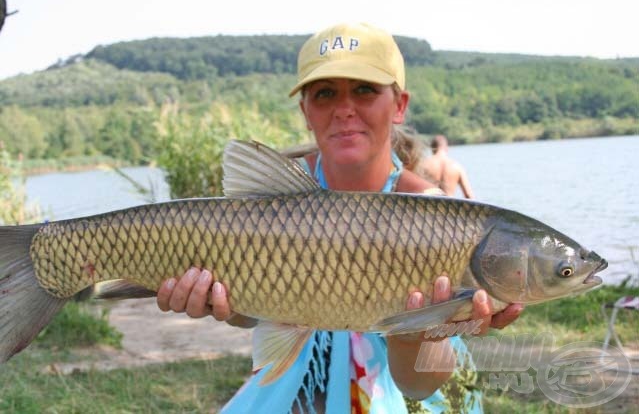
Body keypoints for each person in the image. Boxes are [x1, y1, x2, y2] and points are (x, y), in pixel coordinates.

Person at [156, 22, 522, 413]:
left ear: (399, 105)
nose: (345, 109)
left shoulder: (440, 217)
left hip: (392, 393)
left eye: (364, 90)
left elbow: (419, 384)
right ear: (305, 111)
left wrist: (417, 334)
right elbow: (254, 316)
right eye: (325, 93)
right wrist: (226, 305)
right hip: (289, 385)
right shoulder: (277, 191)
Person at [418, 135, 475, 199]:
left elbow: (415, 191)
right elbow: (468, 195)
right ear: (446, 148)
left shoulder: (423, 165)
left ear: (432, 148)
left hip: (429, 206)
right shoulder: (457, 167)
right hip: (449, 207)